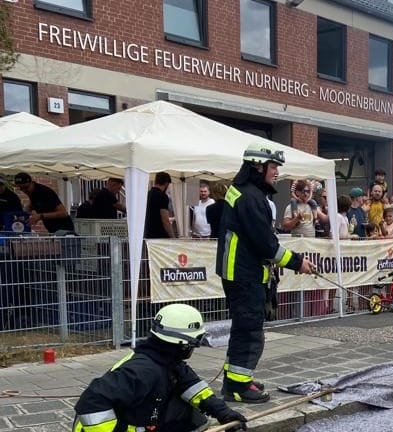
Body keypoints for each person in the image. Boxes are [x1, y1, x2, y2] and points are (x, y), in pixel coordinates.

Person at [215, 143, 314, 403]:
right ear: (257, 167)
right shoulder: (250, 197)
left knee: (243, 329)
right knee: (250, 331)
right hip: (244, 274)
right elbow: (266, 245)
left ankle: (236, 378)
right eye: (273, 167)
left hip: (241, 272)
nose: (277, 172)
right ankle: (238, 388)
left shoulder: (247, 192)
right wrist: (298, 262)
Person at [72, 304, 247, 432]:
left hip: (137, 416)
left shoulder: (167, 360)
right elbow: (91, 401)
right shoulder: (144, 370)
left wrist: (224, 414)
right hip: (96, 429)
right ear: (183, 345)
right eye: (194, 344)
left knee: (191, 416)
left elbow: (193, 387)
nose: (194, 348)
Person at [145, 171, 174, 238]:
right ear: (166, 183)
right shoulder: (162, 196)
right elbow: (165, 221)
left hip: (148, 235)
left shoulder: (147, 194)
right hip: (160, 236)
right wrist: (173, 237)